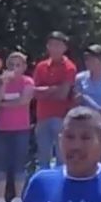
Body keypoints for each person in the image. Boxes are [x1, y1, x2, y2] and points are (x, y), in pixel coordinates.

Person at [0, 52, 35, 202]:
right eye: (11, 65)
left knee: (19, 163)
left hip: (21, 128)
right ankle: (0, 198)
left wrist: (4, 104)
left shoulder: (28, 82)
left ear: (24, 67)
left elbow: (24, 101)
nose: (14, 68)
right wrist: (4, 83)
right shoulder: (0, 82)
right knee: (0, 163)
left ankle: (18, 198)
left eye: (18, 65)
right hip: (1, 127)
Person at [31, 32, 78, 169]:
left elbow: (63, 94)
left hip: (61, 116)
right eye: (51, 45)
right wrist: (54, 88)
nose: (54, 48)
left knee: (61, 156)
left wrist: (45, 90)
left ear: (64, 48)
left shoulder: (70, 67)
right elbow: (35, 92)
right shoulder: (41, 66)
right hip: (42, 116)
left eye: (58, 45)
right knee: (43, 157)